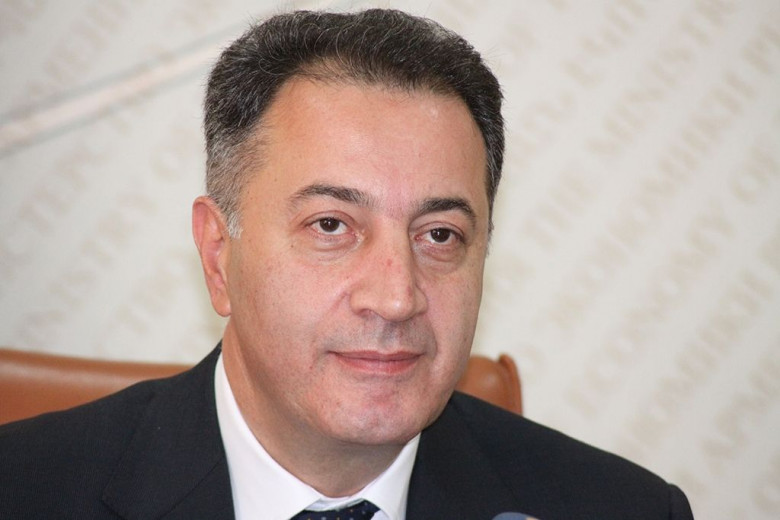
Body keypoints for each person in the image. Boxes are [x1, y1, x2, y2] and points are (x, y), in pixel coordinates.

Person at [0, 9, 694, 520]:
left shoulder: (622, 511)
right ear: (218, 255)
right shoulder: (23, 492)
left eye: (440, 235)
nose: (396, 297)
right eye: (331, 225)